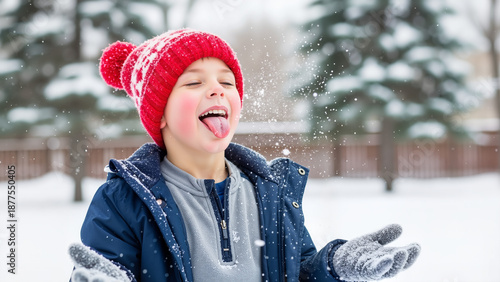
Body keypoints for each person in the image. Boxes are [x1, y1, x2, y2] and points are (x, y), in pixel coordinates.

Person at [69, 28, 420, 282]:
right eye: (194, 82)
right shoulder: (124, 201)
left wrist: (333, 265)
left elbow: (298, 271)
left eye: (227, 82)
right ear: (159, 112)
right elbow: (103, 271)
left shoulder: (270, 191)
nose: (217, 90)